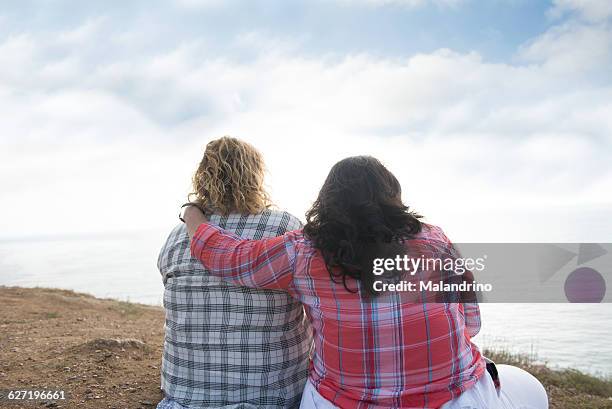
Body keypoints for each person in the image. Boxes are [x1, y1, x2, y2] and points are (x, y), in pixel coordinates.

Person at [181, 155, 548, 409]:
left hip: (339, 402)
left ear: (327, 200)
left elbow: (228, 256)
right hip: (452, 399)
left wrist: (194, 217)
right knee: (530, 388)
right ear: (393, 196)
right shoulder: (435, 241)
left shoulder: (301, 251)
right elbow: (471, 323)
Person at [157, 136, 313, 409]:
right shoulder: (284, 226)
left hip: (185, 397)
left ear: (202, 176)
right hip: (272, 398)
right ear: (255, 175)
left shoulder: (177, 236)